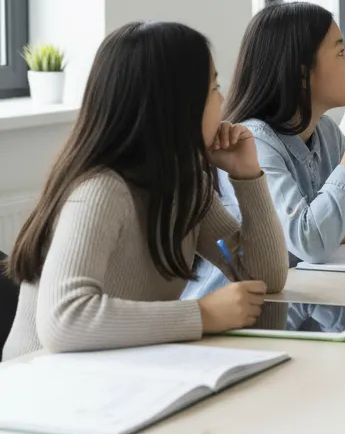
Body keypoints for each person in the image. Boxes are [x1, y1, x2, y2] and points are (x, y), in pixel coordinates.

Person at [2, 22, 288, 361]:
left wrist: (248, 176)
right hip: (43, 390)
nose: (223, 101)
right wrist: (203, 314)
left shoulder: (185, 183)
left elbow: (264, 278)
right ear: (176, 105)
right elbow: (64, 320)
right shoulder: (102, 190)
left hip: (119, 377)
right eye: (213, 88)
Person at [186, 2, 345, 296]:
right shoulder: (253, 139)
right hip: (231, 315)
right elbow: (311, 242)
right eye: (341, 51)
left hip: (292, 299)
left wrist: (335, 230)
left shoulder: (326, 131)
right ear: (301, 71)